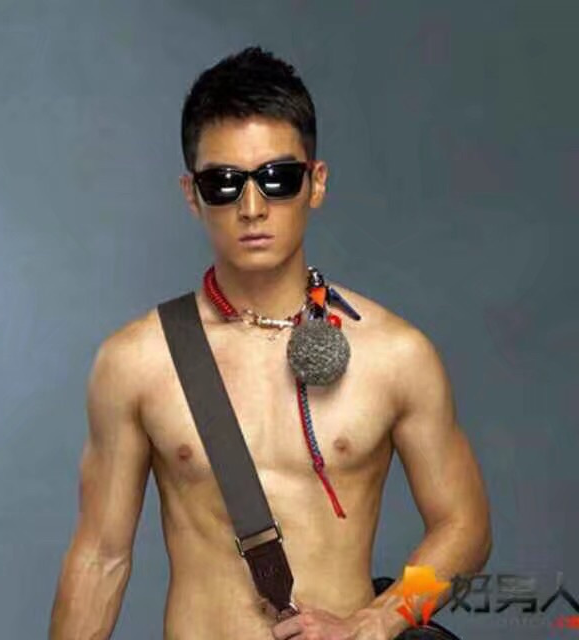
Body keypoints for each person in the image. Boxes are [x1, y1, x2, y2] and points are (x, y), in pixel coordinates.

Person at [49, 46, 492, 640]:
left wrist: (377, 621)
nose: (253, 207)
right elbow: (100, 560)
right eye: (224, 183)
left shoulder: (395, 355)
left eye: (278, 178)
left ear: (316, 183)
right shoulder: (136, 362)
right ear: (192, 195)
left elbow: (465, 526)